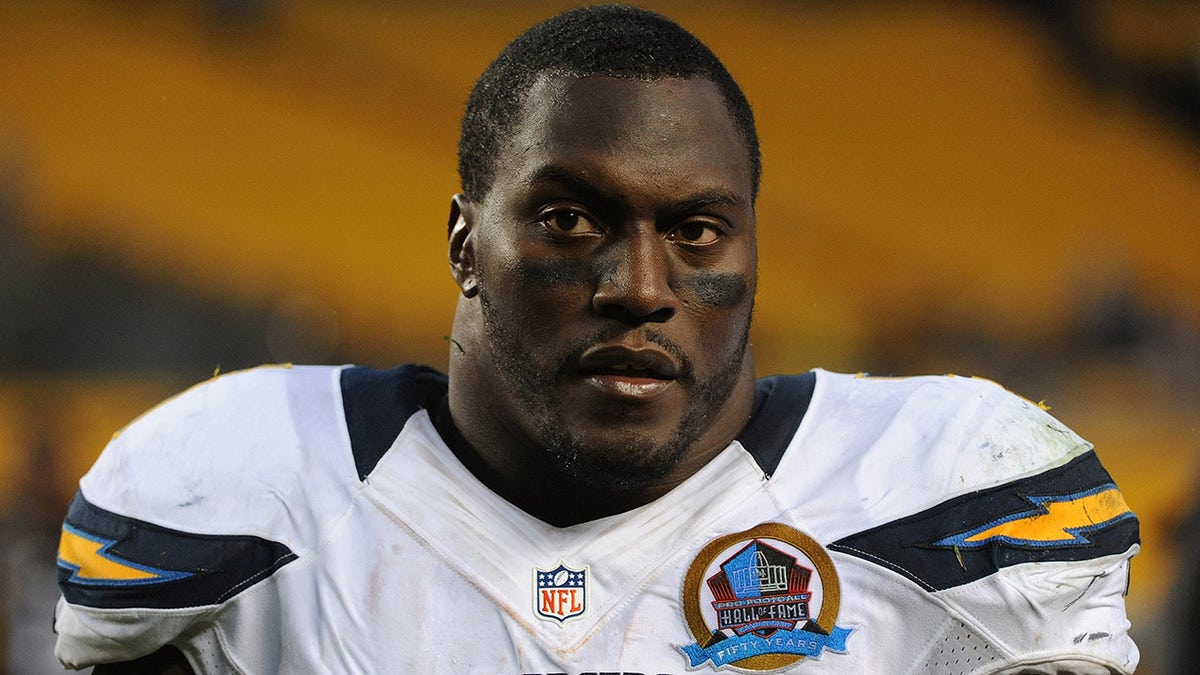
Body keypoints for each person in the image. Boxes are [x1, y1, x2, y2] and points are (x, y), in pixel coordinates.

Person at [53, 5, 1140, 674]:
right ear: (466, 244)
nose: (641, 288)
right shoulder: (235, 498)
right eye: (573, 220)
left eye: (697, 231)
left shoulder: (951, 499)